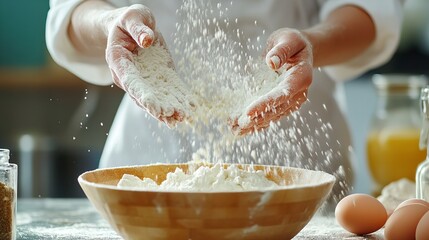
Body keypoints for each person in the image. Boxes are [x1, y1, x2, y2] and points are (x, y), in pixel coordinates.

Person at [46, 0, 404, 200]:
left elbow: (373, 10)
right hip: (153, 160)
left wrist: (311, 42)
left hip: (296, 165)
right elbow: (70, 13)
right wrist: (111, 23)